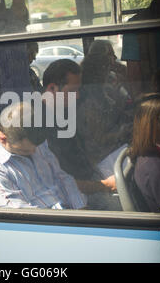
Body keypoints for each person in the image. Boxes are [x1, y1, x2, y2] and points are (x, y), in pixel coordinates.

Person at [0, 101, 86, 209]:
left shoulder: (31, 140)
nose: (34, 152)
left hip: (71, 210)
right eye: (25, 152)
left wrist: (80, 208)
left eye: (37, 147)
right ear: (3, 139)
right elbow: (20, 218)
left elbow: (61, 178)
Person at [41, 59, 119, 210]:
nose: (76, 96)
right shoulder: (40, 126)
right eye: (71, 91)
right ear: (51, 88)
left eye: (78, 91)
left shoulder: (64, 112)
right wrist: (104, 185)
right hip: (77, 195)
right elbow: (59, 181)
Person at [77, 40, 133, 172]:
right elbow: (99, 139)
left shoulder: (106, 88)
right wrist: (122, 132)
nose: (114, 61)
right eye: (108, 62)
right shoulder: (89, 101)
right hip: (102, 158)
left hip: (113, 149)